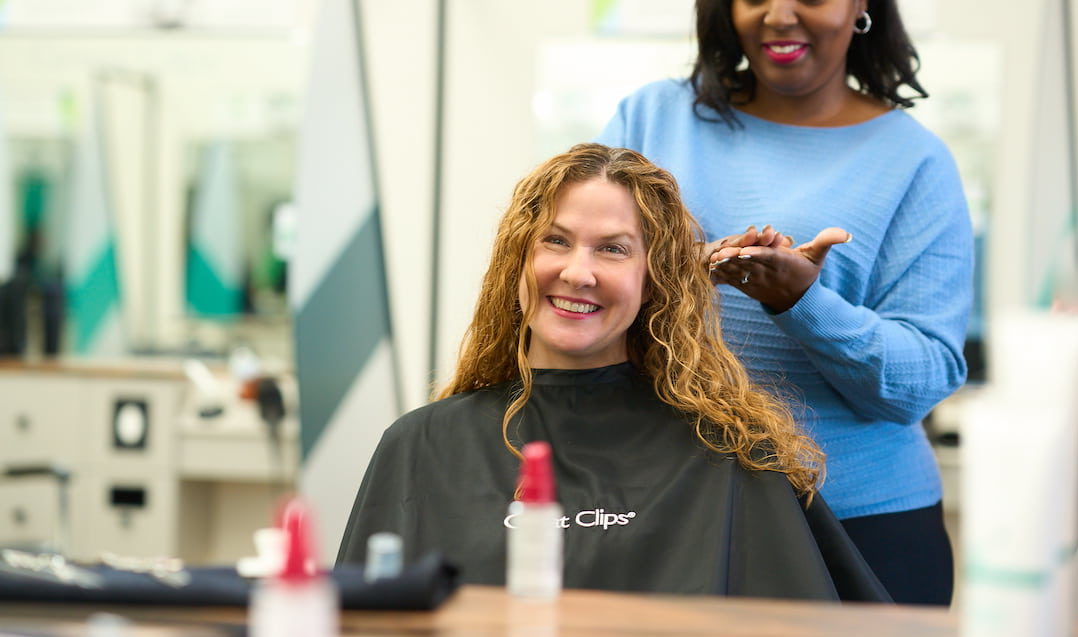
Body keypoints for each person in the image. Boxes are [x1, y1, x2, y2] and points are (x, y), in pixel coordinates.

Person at [595, 0, 972, 606]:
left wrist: (803, 302)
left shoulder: (915, 163)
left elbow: (922, 379)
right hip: (678, 507)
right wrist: (675, 270)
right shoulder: (651, 123)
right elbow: (579, 276)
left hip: (862, 526)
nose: (779, 15)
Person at [337, 143, 888, 602]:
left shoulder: (728, 454)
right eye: (555, 240)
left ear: (654, 281)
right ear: (518, 262)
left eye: (613, 250)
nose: (578, 272)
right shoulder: (421, 445)